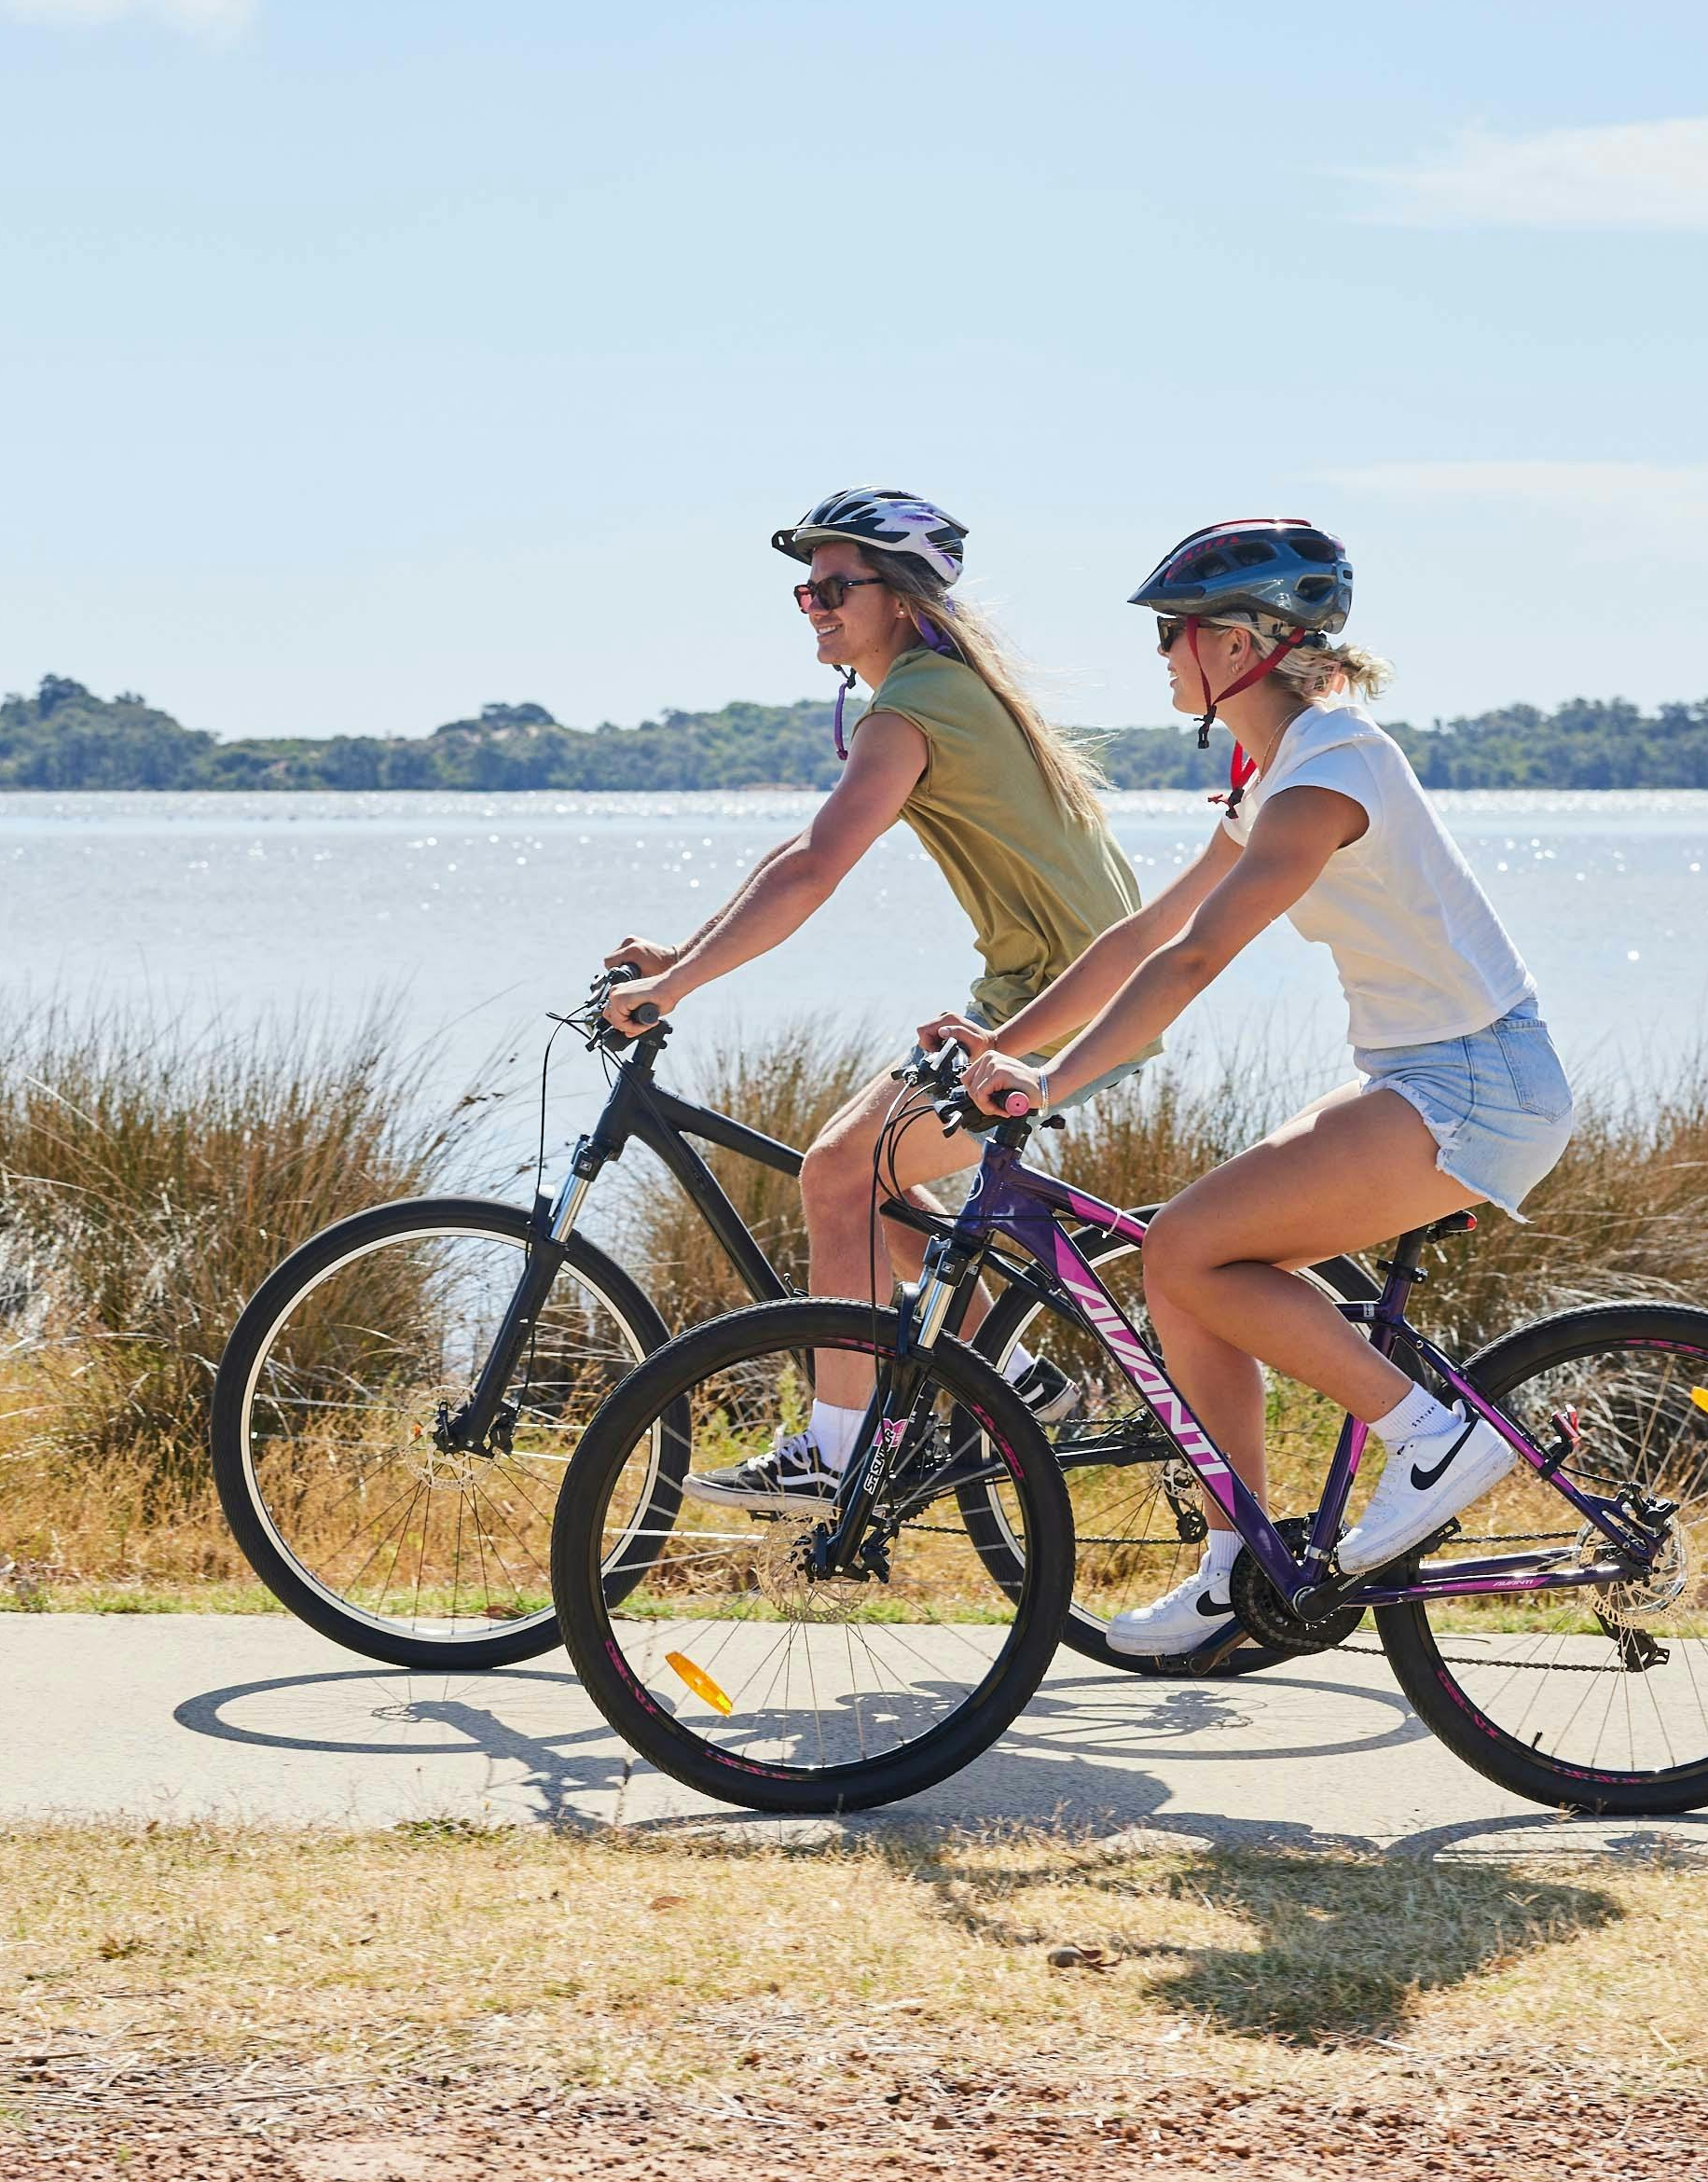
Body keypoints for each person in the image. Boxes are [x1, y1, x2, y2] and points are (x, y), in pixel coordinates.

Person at [931, 518, 1573, 1656]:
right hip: (1423, 1074)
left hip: (1476, 1082)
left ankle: (1429, 1435)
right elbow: (1144, 929)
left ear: (1244, 644)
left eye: (1174, 632)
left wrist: (1051, 1083)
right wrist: (1008, 1042)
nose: (1163, 654)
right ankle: (1236, 1562)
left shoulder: (1334, 766)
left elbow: (1193, 960)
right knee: (1181, 1269)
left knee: (1184, 1245)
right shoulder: (1275, 771)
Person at [602, 489, 1141, 1511]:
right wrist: (684, 950)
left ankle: (834, 1444)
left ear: (896, 596)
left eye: (833, 585)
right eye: (803, 589)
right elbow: (795, 851)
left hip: (1066, 998)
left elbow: (814, 866)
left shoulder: (919, 703)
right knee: (874, 1173)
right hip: (1056, 986)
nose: (812, 603)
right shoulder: (933, 691)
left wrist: (673, 986)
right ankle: (1007, 1370)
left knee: (839, 1171)